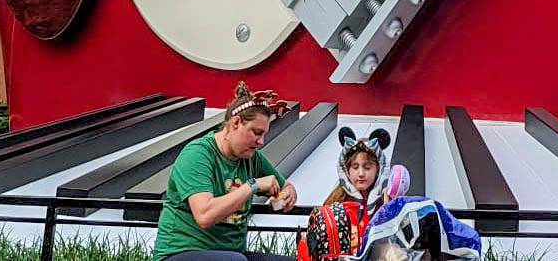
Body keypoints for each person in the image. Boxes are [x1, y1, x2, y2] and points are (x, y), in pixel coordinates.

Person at [152, 82, 298, 261]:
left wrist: (286, 195)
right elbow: (204, 215)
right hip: (179, 254)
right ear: (236, 123)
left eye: (264, 135)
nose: (261, 142)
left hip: (233, 256)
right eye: (256, 133)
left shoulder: (253, 157)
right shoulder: (197, 154)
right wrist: (252, 185)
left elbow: (287, 186)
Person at [298, 126, 390, 261]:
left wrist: (387, 212)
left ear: (378, 170)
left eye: (367, 167)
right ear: (346, 170)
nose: (361, 174)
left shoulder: (387, 202)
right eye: (355, 167)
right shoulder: (334, 203)